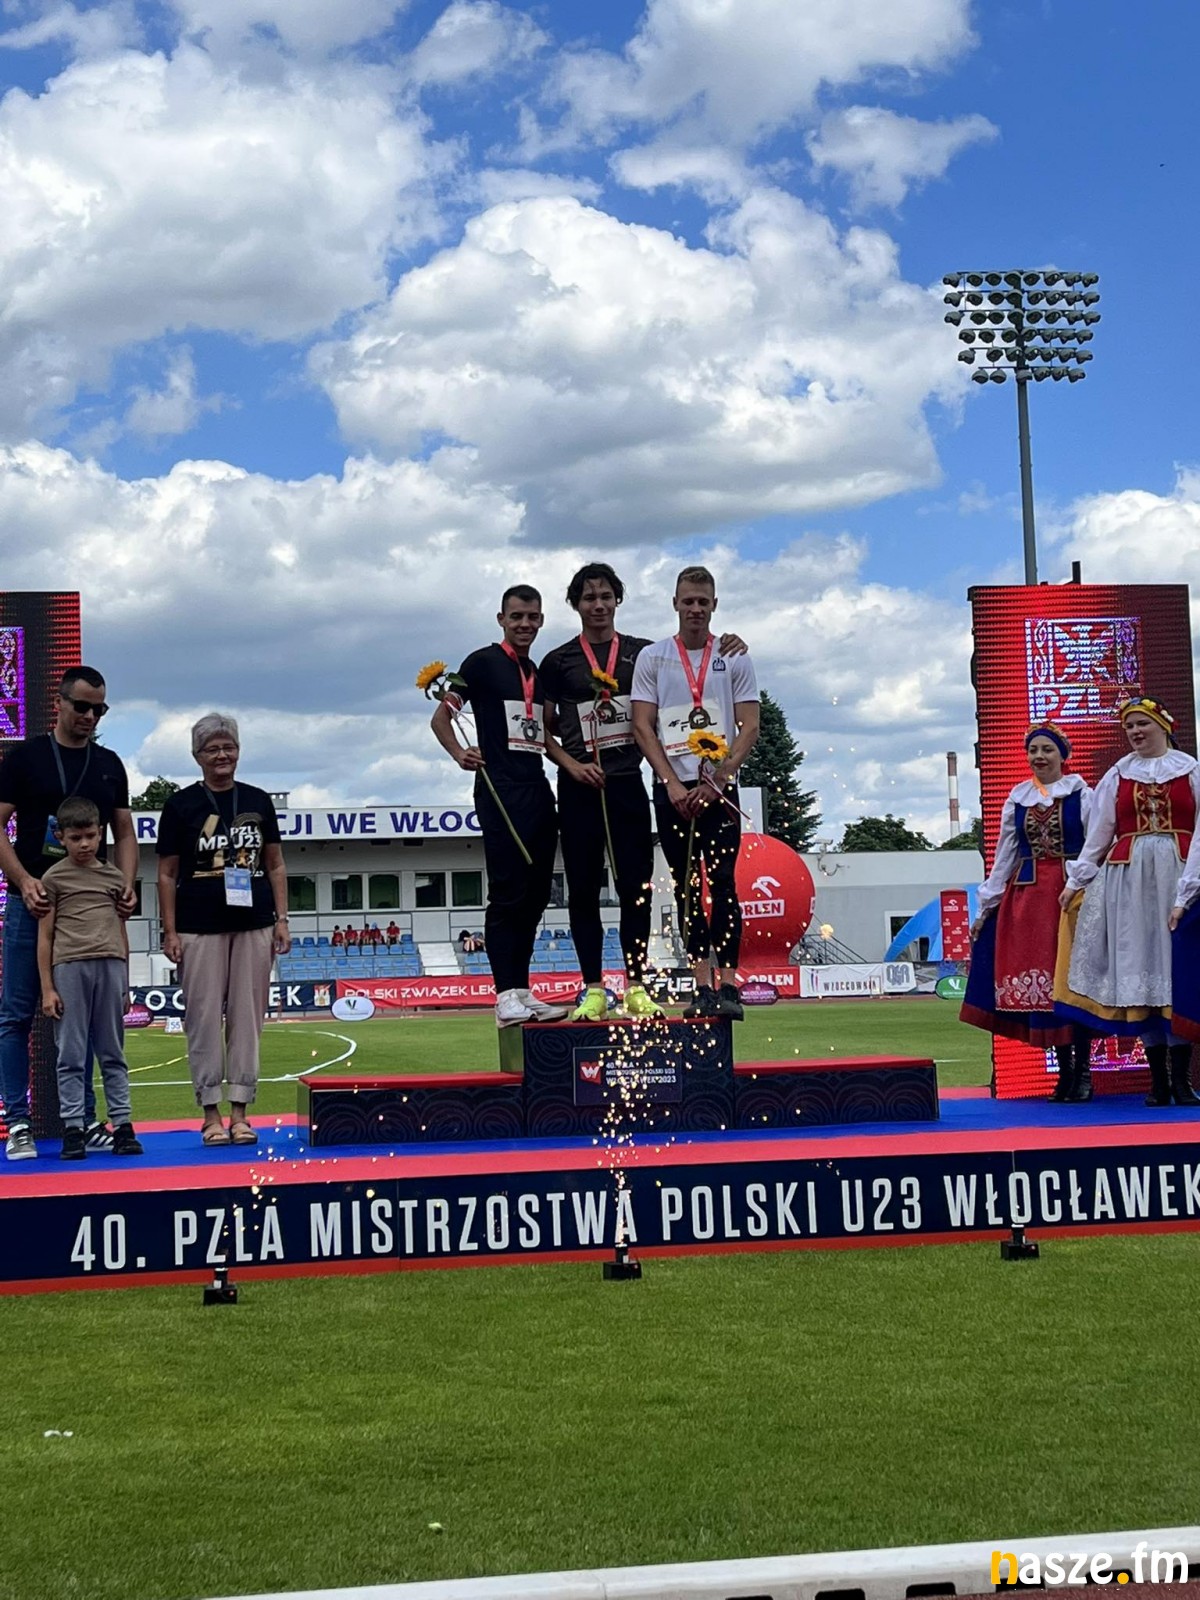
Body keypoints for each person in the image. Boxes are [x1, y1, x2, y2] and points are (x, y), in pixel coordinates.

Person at [541, 561, 749, 1023]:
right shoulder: (557, 660)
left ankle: (636, 985)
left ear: (618, 600)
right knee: (582, 890)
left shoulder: (642, 653)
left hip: (628, 783)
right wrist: (573, 764)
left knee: (637, 888)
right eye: (589, 598)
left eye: (606, 596)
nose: (598, 605)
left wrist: (731, 643)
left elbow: (686, 665)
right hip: (579, 786)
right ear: (576, 604)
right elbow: (544, 727)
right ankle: (593, 989)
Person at [0, 666, 137, 1161]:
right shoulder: (25, 758)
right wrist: (23, 881)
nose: (90, 716)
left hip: (90, 911)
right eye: (81, 706)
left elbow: (125, 831)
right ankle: (17, 1121)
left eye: (99, 709)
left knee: (91, 1022)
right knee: (16, 1014)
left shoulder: (109, 764)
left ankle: (88, 1121)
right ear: (58, 702)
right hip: (33, 903)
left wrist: (126, 885)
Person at [431, 585, 568, 1028]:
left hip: (537, 787)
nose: (525, 624)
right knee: (508, 892)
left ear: (541, 620)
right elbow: (441, 717)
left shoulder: (536, 673)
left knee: (537, 893)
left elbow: (545, 731)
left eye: (532, 617)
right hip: (499, 788)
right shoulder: (481, 663)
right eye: (517, 617)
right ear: (501, 619)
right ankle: (504, 994)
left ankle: (522, 989)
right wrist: (459, 753)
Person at [1055, 696, 1200, 1107]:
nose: (1135, 732)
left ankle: (1181, 1080)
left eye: (1142, 724)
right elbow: (1100, 834)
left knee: (1175, 969)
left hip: (1178, 872)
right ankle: (1158, 1081)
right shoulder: (1118, 774)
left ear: (1163, 726)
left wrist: (1188, 890)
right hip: (1129, 879)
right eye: (1130, 726)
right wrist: (1076, 880)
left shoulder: (1191, 770)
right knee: (1141, 966)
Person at [156, 714, 291, 1146]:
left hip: (254, 924)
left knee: (248, 1021)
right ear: (197, 756)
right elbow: (166, 874)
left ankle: (241, 1113)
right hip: (198, 926)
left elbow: (275, 864)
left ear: (238, 751)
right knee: (202, 1020)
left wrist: (282, 920)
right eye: (212, 748)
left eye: (228, 747)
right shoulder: (180, 806)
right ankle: (210, 1113)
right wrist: (169, 931)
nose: (222, 755)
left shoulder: (257, 800)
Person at [632, 566, 760, 1020]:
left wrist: (719, 779)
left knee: (723, 883)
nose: (695, 609)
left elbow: (749, 726)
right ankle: (701, 986)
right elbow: (642, 725)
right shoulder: (653, 657)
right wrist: (670, 781)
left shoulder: (734, 657)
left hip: (719, 790)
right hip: (673, 791)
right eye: (688, 601)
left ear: (714, 605)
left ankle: (730, 986)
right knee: (686, 888)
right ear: (675, 604)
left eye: (703, 602)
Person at [961, 724, 1094, 1100]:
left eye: (1047, 749)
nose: (1039, 756)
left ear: (1063, 755)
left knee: (1074, 981)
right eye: (1033, 750)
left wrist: (1085, 884)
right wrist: (987, 905)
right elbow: (1005, 854)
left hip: (1071, 896)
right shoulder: (1018, 799)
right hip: (1029, 899)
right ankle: (1065, 1073)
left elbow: (1096, 844)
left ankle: (1083, 1072)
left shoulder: (1082, 795)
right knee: (1047, 985)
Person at [36, 797, 143, 1159]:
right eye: (75, 838)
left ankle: (123, 1126)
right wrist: (48, 987)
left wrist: (125, 982)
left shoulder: (114, 877)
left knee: (112, 1051)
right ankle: (73, 1129)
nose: (84, 844)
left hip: (110, 965)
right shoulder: (53, 878)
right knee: (70, 1052)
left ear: (101, 834)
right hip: (69, 966)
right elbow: (45, 936)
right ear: (61, 837)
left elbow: (121, 929)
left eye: (90, 836)